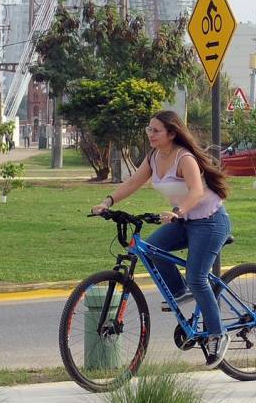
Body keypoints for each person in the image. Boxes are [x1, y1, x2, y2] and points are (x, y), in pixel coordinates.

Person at [91, 110, 232, 368]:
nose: (150, 134)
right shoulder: (154, 157)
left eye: (156, 130)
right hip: (186, 221)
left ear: (171, 133)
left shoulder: (184, 158)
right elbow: (133, 182)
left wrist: (179, 211)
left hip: (210, 221)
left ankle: (217, 334)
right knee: (151, 249)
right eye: (149, 129)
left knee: (197, 277)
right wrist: (107, 202)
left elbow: (197, 191)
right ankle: (180, 292)